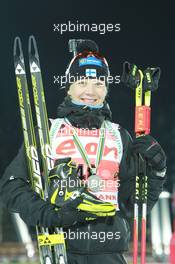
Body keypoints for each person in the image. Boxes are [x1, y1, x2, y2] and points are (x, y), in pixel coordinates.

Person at [0, 40, 167, 264]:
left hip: (109, 252)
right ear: (69, 87)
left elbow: (135, 203)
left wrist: (157, 171)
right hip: (60, 248)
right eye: (82, 82)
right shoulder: (47, 130)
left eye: (99, 83)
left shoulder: (119, 135)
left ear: (107, 89)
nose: (90, 91)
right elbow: (11, 187)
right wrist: (49, 214)